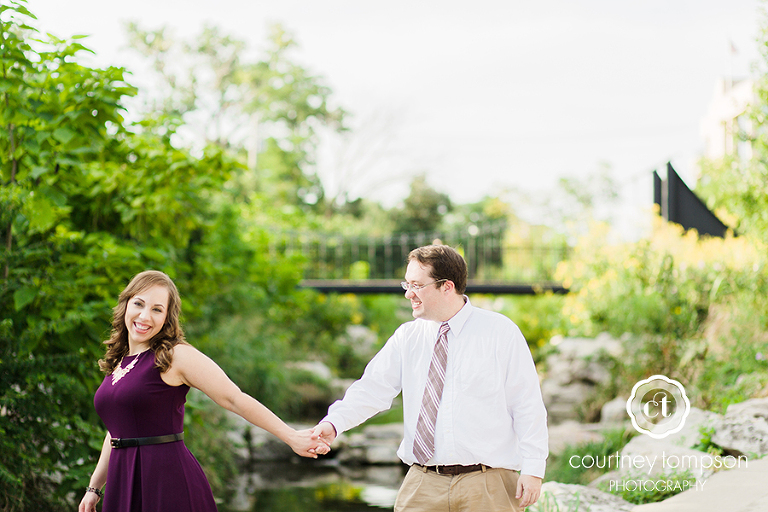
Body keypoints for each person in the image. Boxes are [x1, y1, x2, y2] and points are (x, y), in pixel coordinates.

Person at [312, 244, 548, 511]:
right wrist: (334, 424)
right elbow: (372, 390)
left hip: (488, 483)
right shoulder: (407, 336)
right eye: (407, 284)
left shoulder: (500, 332)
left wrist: (533, 468)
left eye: (417, 285)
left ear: (446, 286)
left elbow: (526, 404)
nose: (408, 293)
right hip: (422, 482)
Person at [79, 270, 329, 512]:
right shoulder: (120, 360)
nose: (145, 316)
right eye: (139, 304)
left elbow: (234, 399)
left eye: (157, 309)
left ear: (167, 318)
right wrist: (94, 487)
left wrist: (291, 436)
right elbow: (117, 430)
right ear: (125, 304)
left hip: (165, 481)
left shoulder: (175, 355)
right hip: (123, 480)